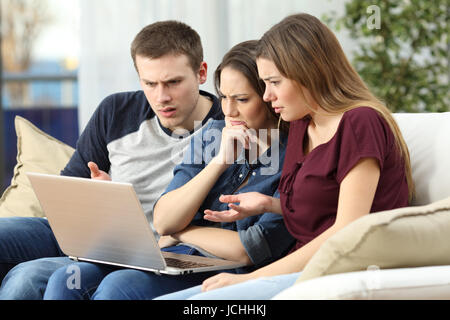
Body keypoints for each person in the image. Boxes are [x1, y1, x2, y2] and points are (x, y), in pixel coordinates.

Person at [156, 13, 414, 300]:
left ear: (307, 74)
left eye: (274, 82)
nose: (267, 96)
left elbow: (346, 232)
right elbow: (322, 208)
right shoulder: (303, 125)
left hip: (339, 272)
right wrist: (272, 204)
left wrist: (251, 280)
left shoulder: (360, 122)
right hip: (301, 269)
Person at [42, 40, 295, 300]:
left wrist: (182, 231)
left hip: (226, 268)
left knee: (119, 287)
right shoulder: (213, 135)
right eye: (224, 98)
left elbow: (248, 248)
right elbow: (163, 219)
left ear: (268, 96)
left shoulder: (292, 155)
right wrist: (219, 161)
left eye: (242, 99)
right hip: (177, 258)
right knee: (66, 280)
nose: (228, 111)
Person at [0, 20, 224, 299]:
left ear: (201, 72)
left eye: (173, 82)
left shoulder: (225, 130)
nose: (161, 97)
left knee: (27, 279)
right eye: (149, 83)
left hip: (152, 256)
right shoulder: (116, 110)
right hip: (91, 236)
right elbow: (66, 192)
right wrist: (99, 195)